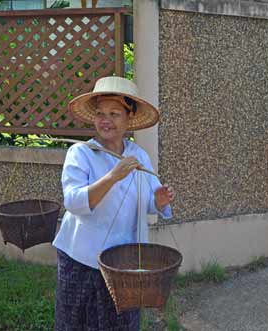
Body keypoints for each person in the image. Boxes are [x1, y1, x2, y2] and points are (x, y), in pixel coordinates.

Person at [52, 76, 175, 330]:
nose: (105, 120)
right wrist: (113, 176)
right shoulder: (82, 153)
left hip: (123, 263)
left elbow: (148, 201)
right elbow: (74, 202)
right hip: (81, 258)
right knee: (76, 322)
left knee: (120, 322)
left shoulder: (138, 156)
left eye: (114, 113)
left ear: (129, 119)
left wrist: (159, 200)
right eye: (100, 113)